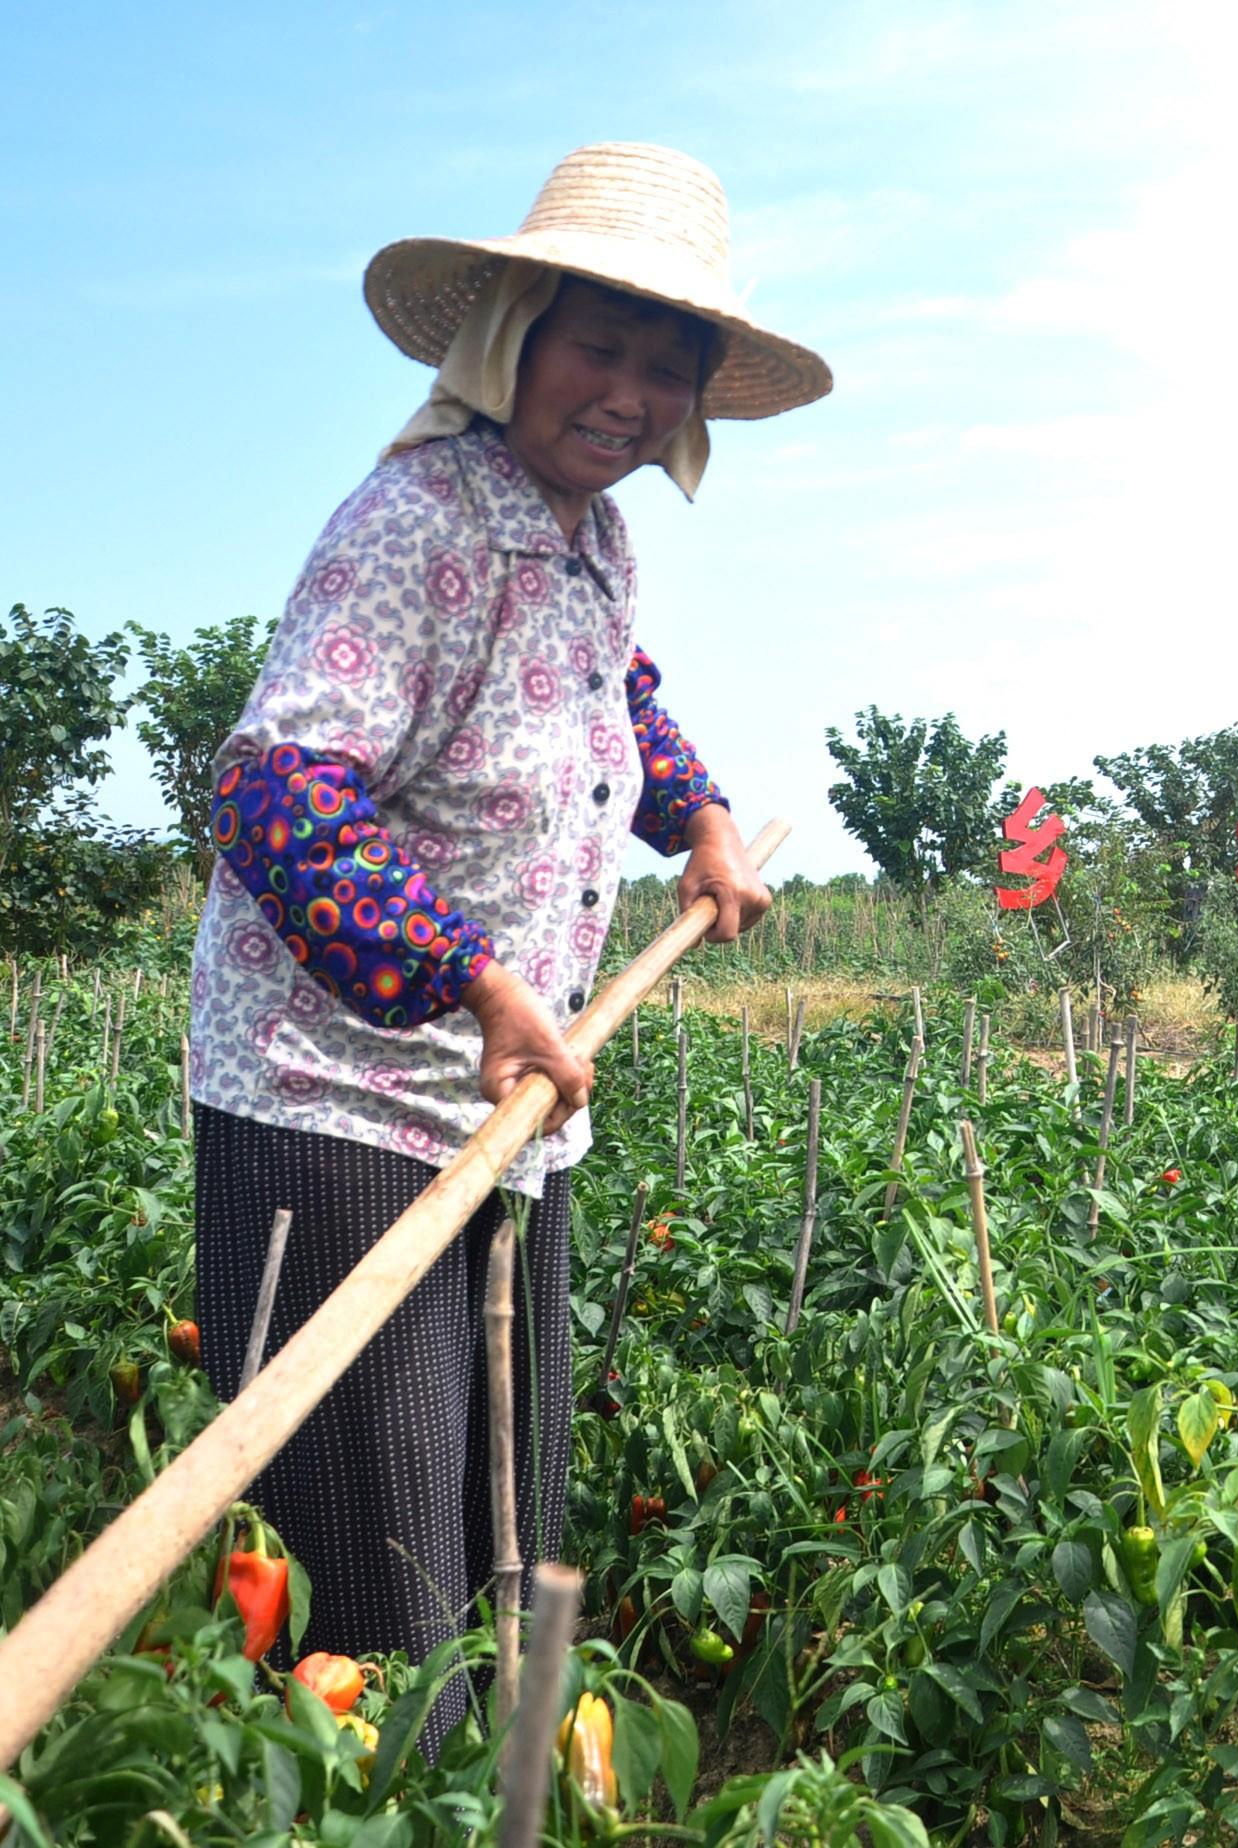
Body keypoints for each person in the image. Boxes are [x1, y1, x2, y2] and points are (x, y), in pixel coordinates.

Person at [188, 143, 826, 1747]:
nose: (627, 394)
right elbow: (275, 794)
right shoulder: (419, 521)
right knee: (370, 1557)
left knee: (491, 1518)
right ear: (511, 339)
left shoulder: (595, 539)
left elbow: (624, 703)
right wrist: (471, 978)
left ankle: (481, 1781)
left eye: (664, 368)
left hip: (501, 1107)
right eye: (597, 345)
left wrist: (701, 819)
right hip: (336, 1101)